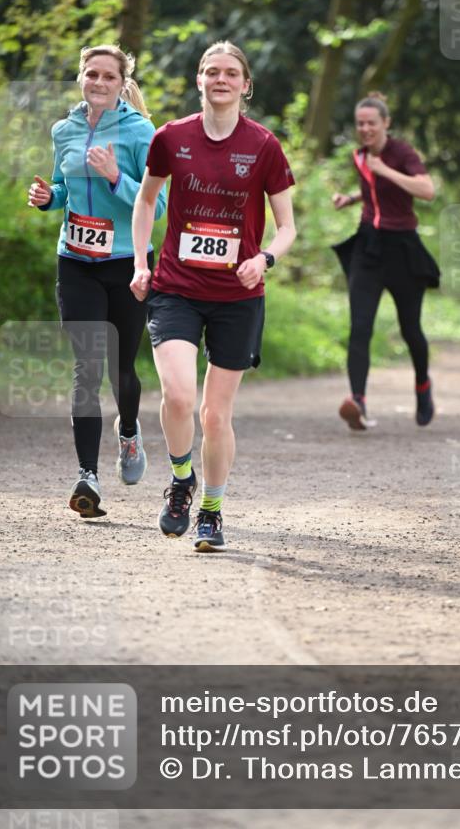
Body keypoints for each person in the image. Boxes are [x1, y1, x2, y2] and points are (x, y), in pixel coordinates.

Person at [130, 40, 296, 551]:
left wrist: (263, 258)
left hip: (238, 295)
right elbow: (146, 199)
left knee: (214, 415)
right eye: (211, 72)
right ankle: (182, 481)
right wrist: (141, 262)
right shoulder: (170, 137)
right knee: (179, 396)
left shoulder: (264, 145)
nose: (220, 79)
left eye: (230, 73)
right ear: (199, 81)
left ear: (245, 85)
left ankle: (212, 511)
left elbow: (288, 227)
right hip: (176, 287)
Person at [28, 44, 166, 518]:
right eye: (92, 74)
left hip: (128, 263)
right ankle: (87, 475)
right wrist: (49, 198)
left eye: (109, 76)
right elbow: (63, 187)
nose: (99, 82)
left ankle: (128, 432)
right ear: (81, 77)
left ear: (122, 81)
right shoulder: (63, 129)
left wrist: (114, 179)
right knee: (87, 367)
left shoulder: (141, 132)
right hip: (76, 260)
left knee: (121, 367)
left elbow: (158, 206)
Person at [332, 92, 439, 431]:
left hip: (403, 250)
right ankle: (358, 402)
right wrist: (350, 198)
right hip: (369, 248)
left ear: (385, 124)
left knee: (411, 331)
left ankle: (423, 385)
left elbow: (426, 190)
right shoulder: (359, 156)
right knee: (360, 327)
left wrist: (386, 170)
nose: (365, 129)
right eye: (360, 123)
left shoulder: (402, 153)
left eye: (371, 123)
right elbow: (373, 190)